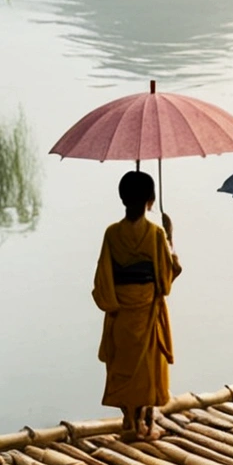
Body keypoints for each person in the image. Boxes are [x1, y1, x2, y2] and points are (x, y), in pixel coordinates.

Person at [93, 170, 180, 439]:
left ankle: (129, 420)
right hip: (147, 309)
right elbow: (165, 280)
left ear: (122, 199)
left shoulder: (111, 233)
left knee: (123, 364)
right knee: (146, 367)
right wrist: (171, 238)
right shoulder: (155, 233)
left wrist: (113, 302)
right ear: (151, 200)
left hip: (120, 309)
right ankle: (145, 424)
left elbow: (103, 276)